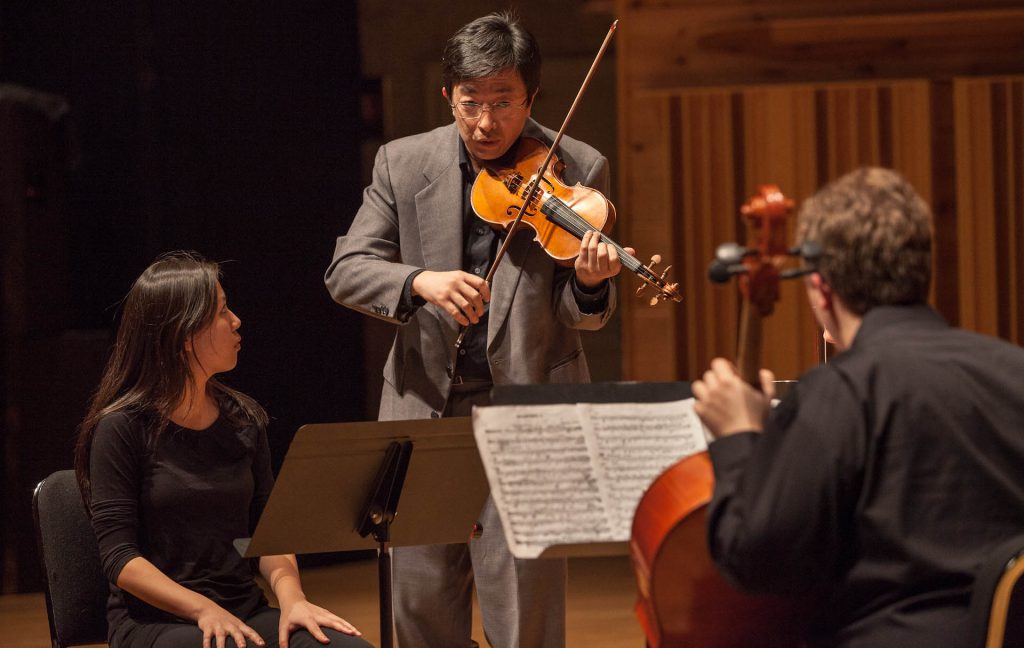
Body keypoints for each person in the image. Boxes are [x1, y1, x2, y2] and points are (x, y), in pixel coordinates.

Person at [325, 11, 625, 648]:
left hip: (525, 409)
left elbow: (579, 310)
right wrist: (418, 283)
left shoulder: (577, 166)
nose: (486, 123)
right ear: (448, 97)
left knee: (524, 610)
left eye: (503, 103)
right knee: (422, 603)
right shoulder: (402, 164)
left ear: (531, 97)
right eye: (471, 103)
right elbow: (347, 270)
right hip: (423, 407)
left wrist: (593, 282)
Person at [691, 167, 1024, 646]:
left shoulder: (840, 391)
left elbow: (757, 562)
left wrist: (739, 437)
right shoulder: (1013, 370)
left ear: (821, 288)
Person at [75, 251, 372, 648]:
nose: (236, 321)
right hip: (156, 621)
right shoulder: (122, 428)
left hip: (244, 609)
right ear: (183, 334)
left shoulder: (243, 420)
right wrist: (202, 609)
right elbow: (120, 560)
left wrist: (293, 600)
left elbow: (269, 535)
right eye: (221, 311)